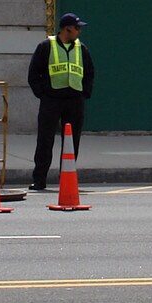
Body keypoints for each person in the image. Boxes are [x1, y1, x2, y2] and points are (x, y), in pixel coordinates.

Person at [28, 12, 95, 192]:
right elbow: (34, 73)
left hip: (74, 100)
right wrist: (43, 94)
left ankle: (67, 179)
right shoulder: (46, 46)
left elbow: (89, 73)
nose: (79, 31)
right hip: (52, 99)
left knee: (71, 142)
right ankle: (39, 180)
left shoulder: (81, 49)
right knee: (45, 140)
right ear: (67, 29)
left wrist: (84, 94)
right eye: (77, 28)